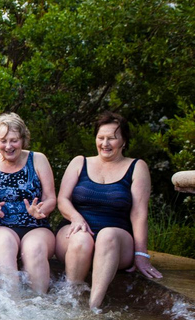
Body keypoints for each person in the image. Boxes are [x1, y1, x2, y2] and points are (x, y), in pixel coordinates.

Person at [56, 112, 162, 309]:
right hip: (74, 233)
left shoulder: (137, 167)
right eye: (101, 137)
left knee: (107, 235)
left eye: (112, 138)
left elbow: (139, 213)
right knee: (81, 237)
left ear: (123, 141)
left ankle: (93, 307)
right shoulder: (80, 162)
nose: (105, 143)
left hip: (116, 240)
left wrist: (142, 254)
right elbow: (62, 199)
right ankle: (69, 301)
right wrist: (76, 217)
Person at [0, 113, 56, 294]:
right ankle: (12, 306)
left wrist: (41, 209)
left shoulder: (38, 160)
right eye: (3, 140)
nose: (8, 146)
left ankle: (40, 304)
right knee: (4, 242)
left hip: (36, 227)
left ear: (23, 139)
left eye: (14, 140)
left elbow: (51, 197)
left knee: (34, 248)